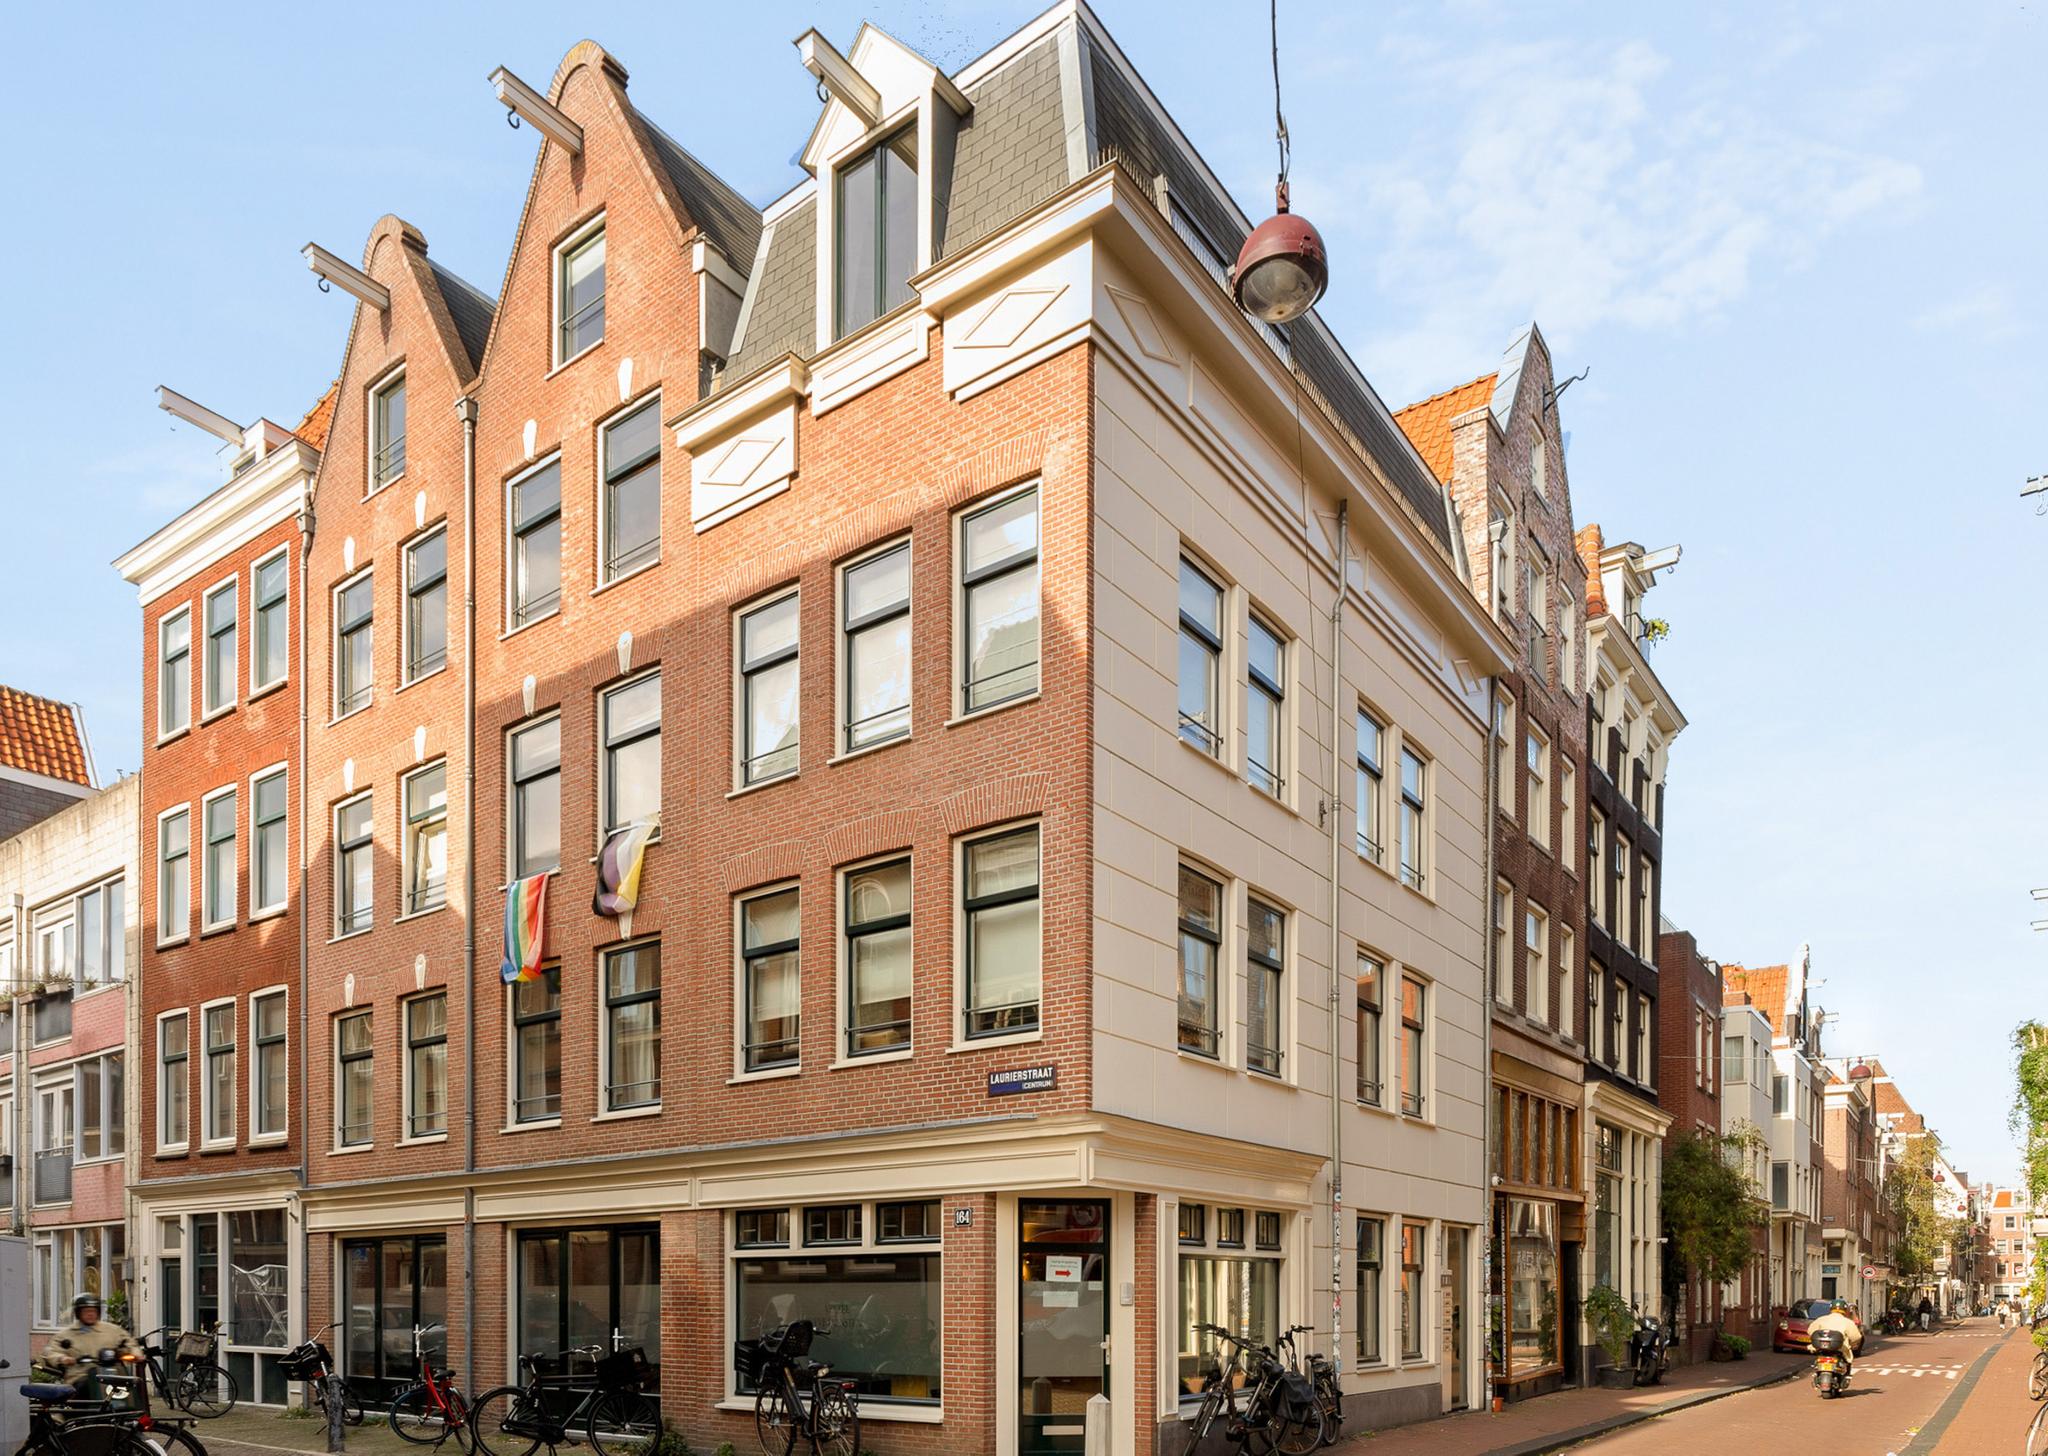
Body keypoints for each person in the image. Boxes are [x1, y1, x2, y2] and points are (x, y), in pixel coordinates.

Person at [39, 1292, 136, 1400]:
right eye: (86, 1311)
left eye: (93, 1311)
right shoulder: (66, 1334)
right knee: (85, 1387)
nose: (90, 1314)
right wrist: (62, 1358)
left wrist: (135, 1354)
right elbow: (50, 1351)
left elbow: (129, 1342)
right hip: (81, 1375)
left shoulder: (112, 1330)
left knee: (134, 1387)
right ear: (78, 1313)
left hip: (112, 1375)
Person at [1809, 1300, 1865, 1374]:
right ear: (1845, 1310)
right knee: (1847, 1361)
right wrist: (1851, 1344)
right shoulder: (1848, 1322)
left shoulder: (1821, 1319)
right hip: (1840, 1349)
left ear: (1831, 1309)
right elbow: (1856, 1337)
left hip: (1822, 1348)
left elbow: (1810, 1331)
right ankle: (1846, 1375)